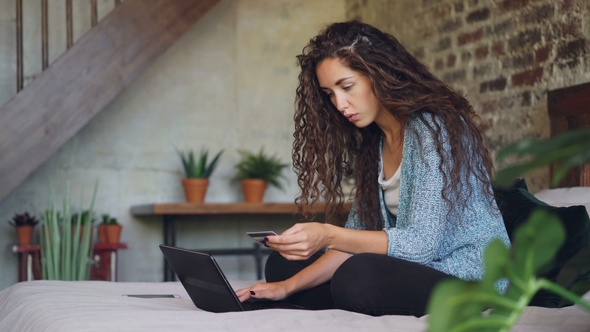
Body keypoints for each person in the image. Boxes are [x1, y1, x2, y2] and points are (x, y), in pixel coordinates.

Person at [235, 21, 510, 317]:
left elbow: (421, 245)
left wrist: (327, 234)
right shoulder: (374, 142)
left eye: (347, 86)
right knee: (281, 266)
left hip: (470, 276)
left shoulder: (434, 128)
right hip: (416, 270)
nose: (340, 104)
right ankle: (306, 292)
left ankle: (346, 294)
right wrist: (286, 287)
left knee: (357, 276)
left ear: (380, 73)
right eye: (330, 93)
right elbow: (357, 236)